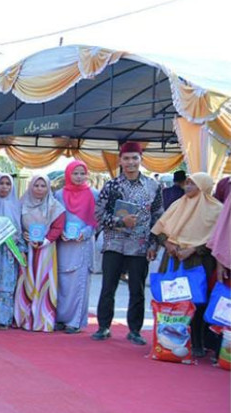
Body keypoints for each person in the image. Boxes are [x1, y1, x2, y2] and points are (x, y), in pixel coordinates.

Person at [92, 142, 163, 344]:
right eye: (126, 158)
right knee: (108, 287)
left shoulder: (153, 186)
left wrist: (153, 244)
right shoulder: (111, 185)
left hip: (140, 246)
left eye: (134, 158)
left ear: (141, 160)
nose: (130, 162)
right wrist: (120, 221)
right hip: (114, 243)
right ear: (120, 160)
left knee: (137, 289)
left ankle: (135, 330)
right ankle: (104, 327)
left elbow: (158, 216)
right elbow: (99, 214)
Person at [152, 172, 223, 357]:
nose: (187, 187)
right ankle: (165, 341)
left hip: (197, 263)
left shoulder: (216, 209)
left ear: (204, 186)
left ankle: (196, 344)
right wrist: (167, 243)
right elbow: (160, 229)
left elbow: (217, 239)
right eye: (187, 183)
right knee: (172, 302)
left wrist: (192, 249)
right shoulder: (178, 204)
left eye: (193, 184)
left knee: (196, 303)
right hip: (173, 261)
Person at [14, 174, 66, 332]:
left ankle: (43, 319)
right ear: (31, 186)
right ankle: (24, 318)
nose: (39, 189)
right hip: (26, 248)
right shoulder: (22, 203)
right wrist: (23, 234)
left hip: (46, 249)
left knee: (44, 282)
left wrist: (45, 240)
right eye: (36, 185)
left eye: (43, 186)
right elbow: (16, 223)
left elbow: (58, 226)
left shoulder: (55, 206)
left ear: (48, 187)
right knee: (25, 280)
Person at [54, 161, 98, 333]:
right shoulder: (59, 194)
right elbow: (57, 217)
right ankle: (59, 318)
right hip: (64, 243)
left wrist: (86, 233)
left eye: (82, 173)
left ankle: (74, 322)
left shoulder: (94, 194)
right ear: (68, 175)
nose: (79, 177)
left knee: (79, 283)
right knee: (62, 282)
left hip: (83, 244)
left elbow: (96, 219)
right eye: (75, 173)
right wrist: (60, 232)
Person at [0, 174, 26, 329]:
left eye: (8, 184)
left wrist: (16, 242)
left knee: (6, 285)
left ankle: (3, 319)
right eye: (1, 183)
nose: (4, 187)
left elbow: (21, 229)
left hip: (9, 252)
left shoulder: (17, 206)